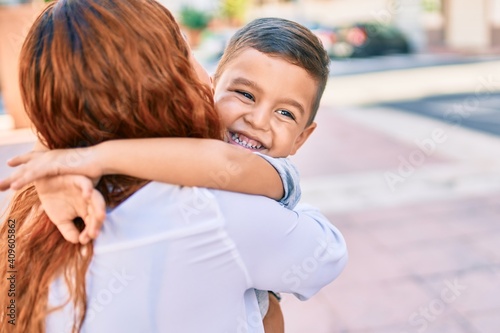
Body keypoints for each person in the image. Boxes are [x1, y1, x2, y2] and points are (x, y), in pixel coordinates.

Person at [0, 1, 347, 332]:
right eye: (185, 51)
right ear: (161, 81)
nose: (257, 120)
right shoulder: (215, 212)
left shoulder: (28, 212)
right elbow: (325, 254)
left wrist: (64, 156)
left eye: (285, 113)